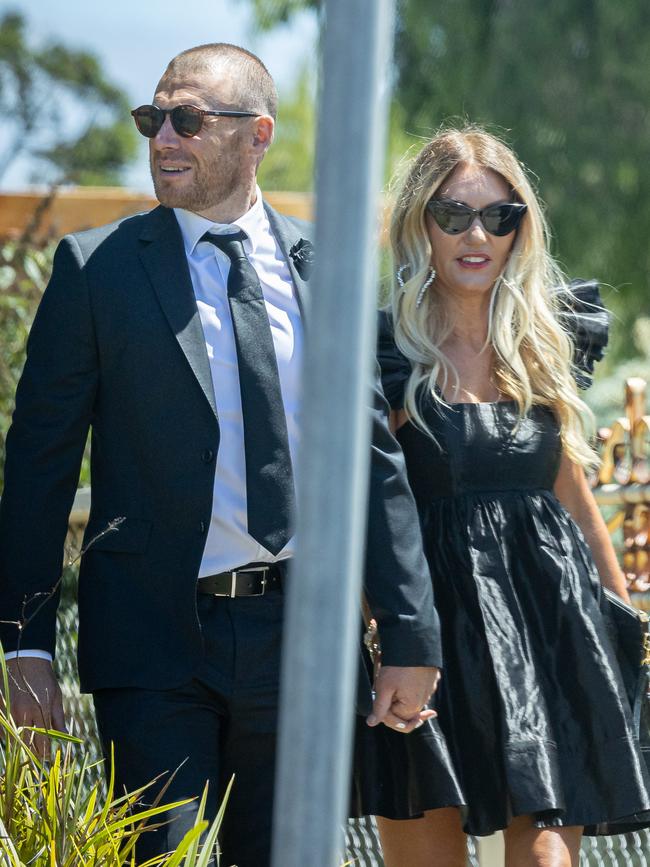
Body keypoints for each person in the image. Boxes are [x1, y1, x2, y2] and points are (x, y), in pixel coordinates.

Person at [0, 44, 442, 867]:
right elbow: (37, 469)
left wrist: (412, 635)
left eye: (188, 119)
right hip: (155, 644)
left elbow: (373, 458)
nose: (163, 137)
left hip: (302, 636)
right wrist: (24, 645)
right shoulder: (96, 272)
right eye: (152, 118)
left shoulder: (334, 269)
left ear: (257, 135)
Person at [352, 127, 650, 867]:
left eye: (499, 215)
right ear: (419, 222)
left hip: (549, 631)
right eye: (453, 214)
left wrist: (631, 631)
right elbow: (362, 507)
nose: (476, 233)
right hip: (428, 641)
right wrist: (378, 632)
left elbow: (575, 499)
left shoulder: (549, 340)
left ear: (523, 226)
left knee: (548, 857)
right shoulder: (387, 358)